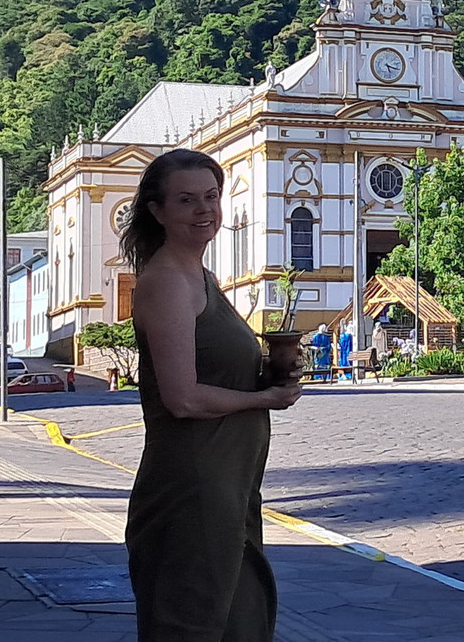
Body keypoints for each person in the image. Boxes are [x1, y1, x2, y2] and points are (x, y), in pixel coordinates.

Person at [119, 148, 302, 642]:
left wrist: (268, 372)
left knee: (240, 622)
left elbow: (210, 368)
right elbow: (183, 399)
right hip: (192, 488)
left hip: (227, 485)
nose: (205, 210)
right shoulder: (166, 283)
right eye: (186, 200)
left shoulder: (201, 278)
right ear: (157, 211)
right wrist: (264, 400)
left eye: (212, 196)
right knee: (194, 624)